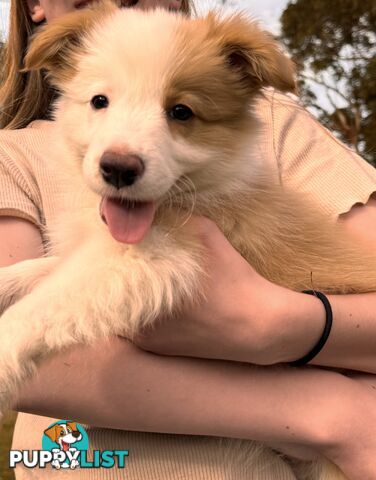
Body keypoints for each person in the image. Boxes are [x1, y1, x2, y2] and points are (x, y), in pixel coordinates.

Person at [1, 1, 376, 479]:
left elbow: (136, 273)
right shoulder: (11, 157)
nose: (125, 149)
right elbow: (97, 278)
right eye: (100, 101)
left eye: (180, 111)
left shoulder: (271, 141)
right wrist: (330, 413)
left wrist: (13, 341)